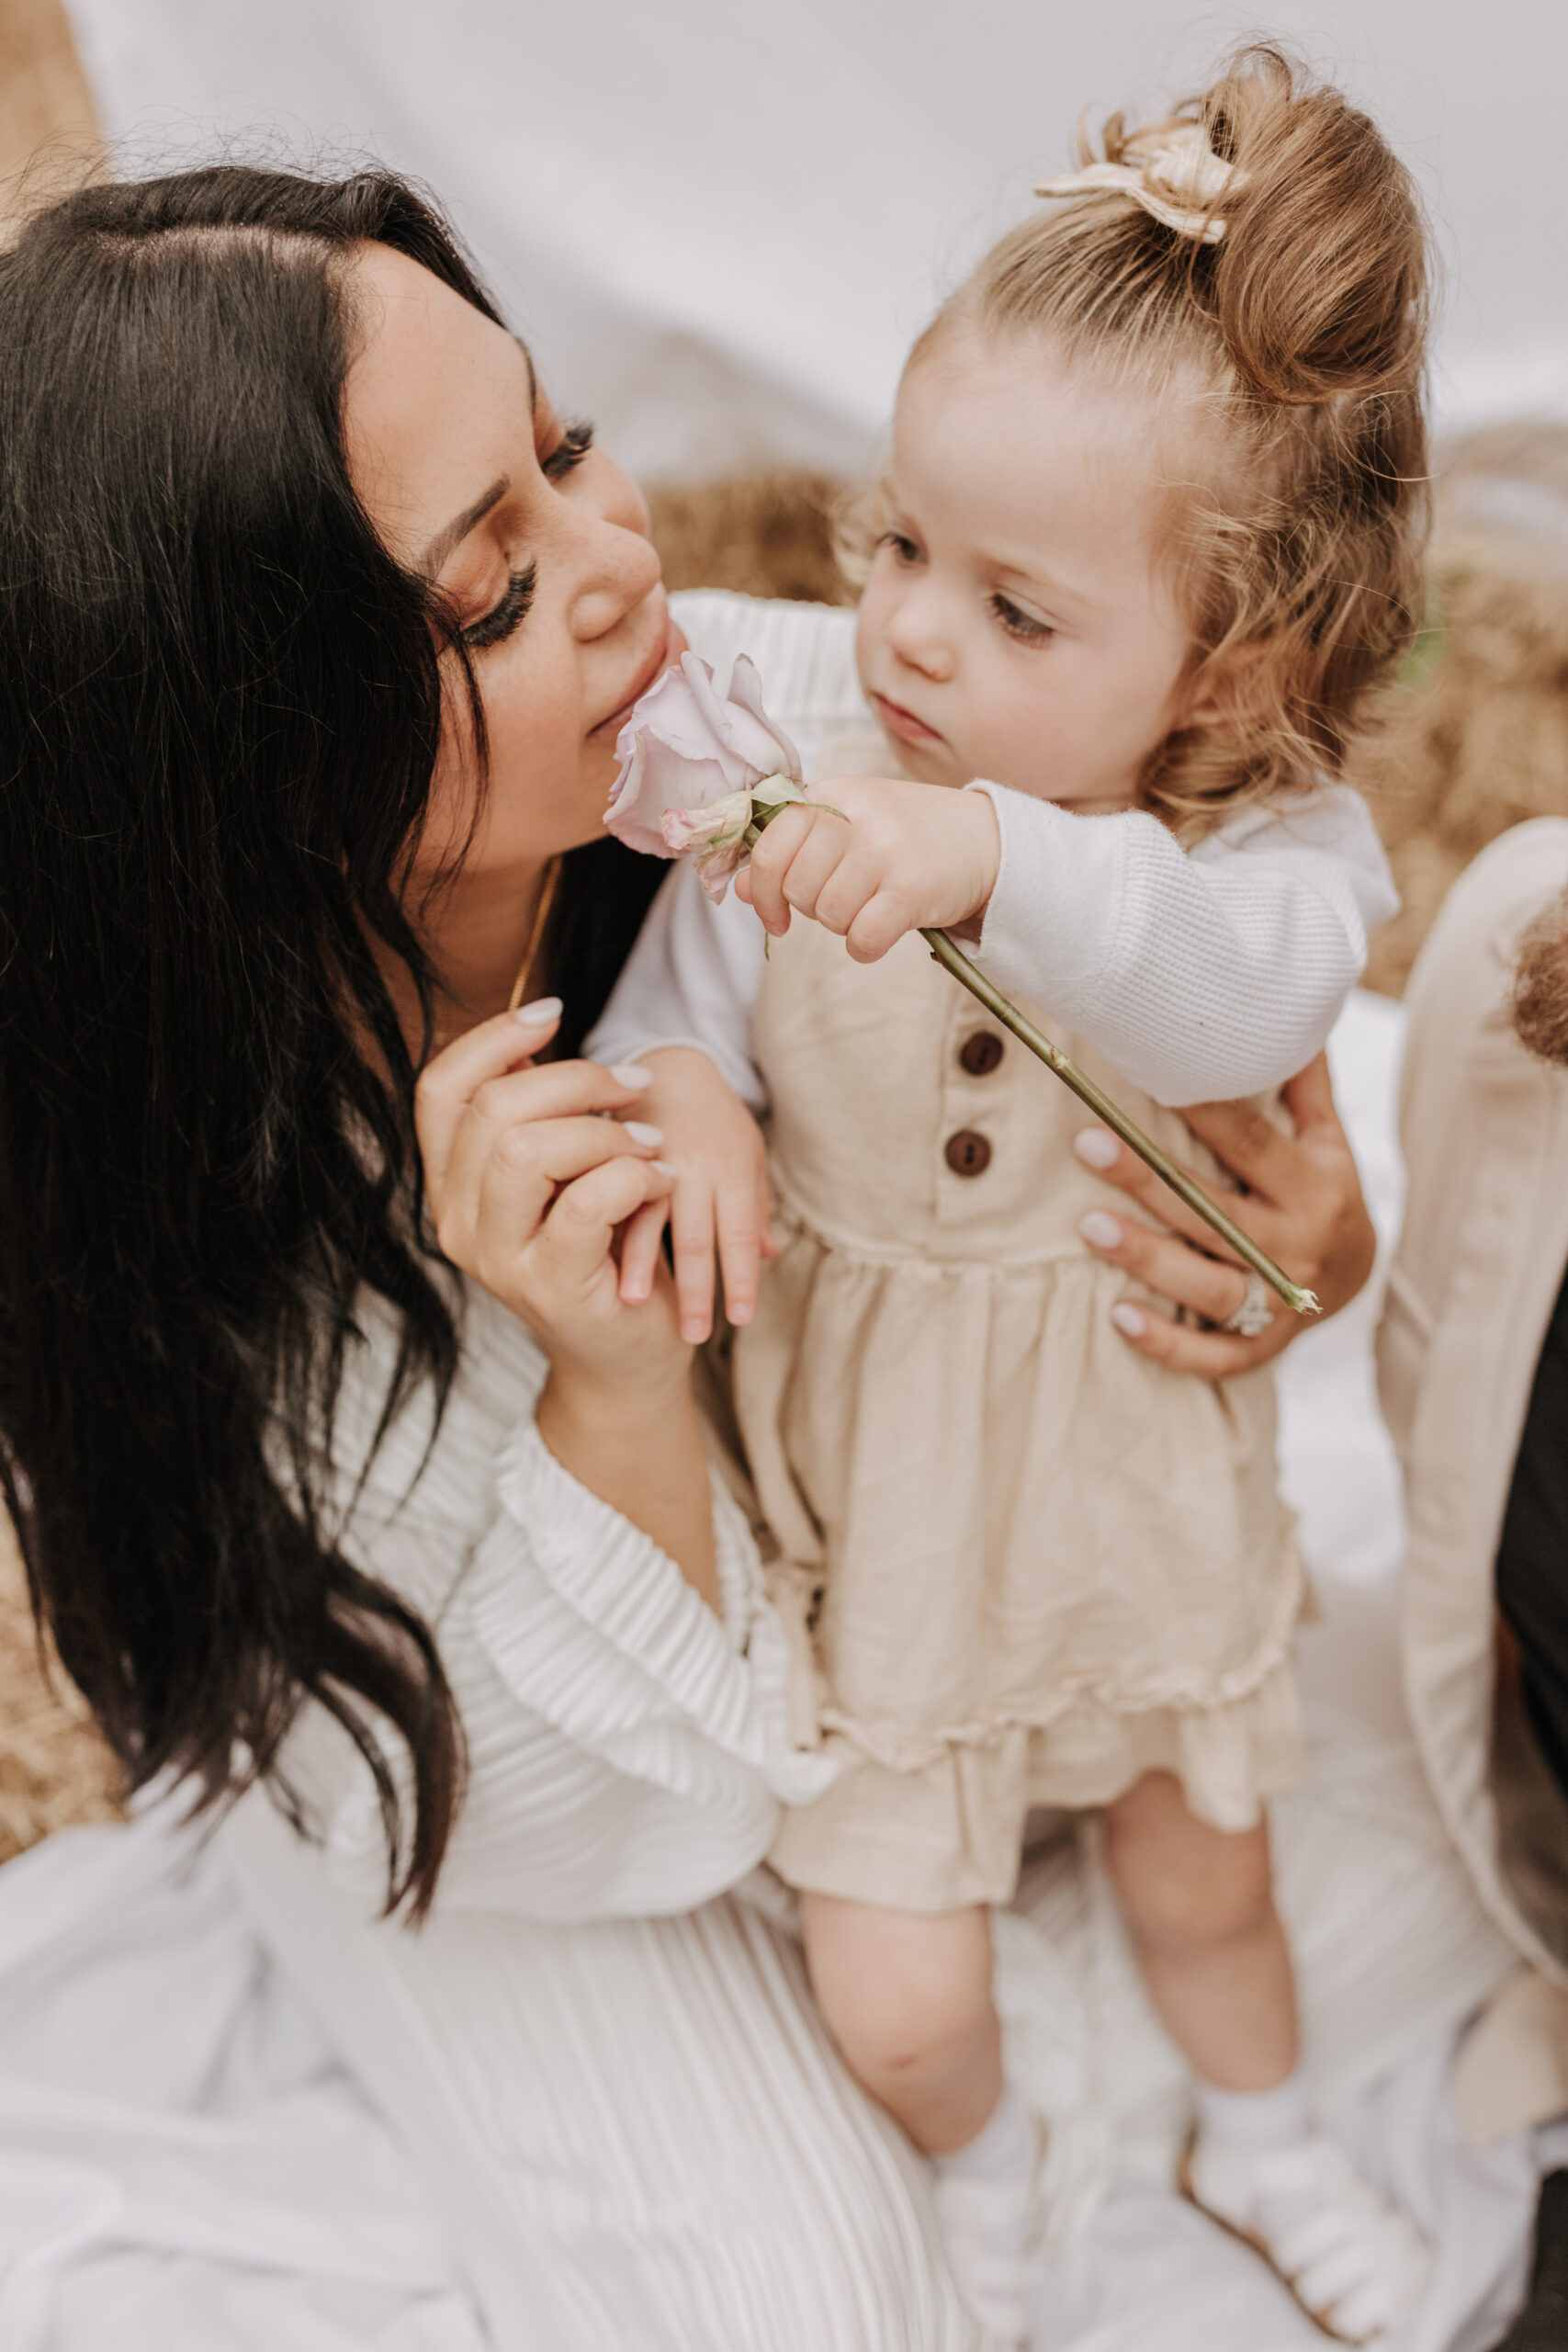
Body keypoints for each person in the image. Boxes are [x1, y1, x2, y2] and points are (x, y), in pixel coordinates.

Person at [590, 46, 1431, 2344]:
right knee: (887, 1991)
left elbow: (1221, 987)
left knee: (1205, 1875)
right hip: (887, 1521)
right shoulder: (816, 780)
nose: (911, 635)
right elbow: (680, 984)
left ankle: (1253, 2134)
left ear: (1226, 666)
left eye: (1015, 609)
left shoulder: (1252, 853)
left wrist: (994, 853)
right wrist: (679, 1099)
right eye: (893, 546)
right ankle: (973, 2157)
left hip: (1126, 1482)